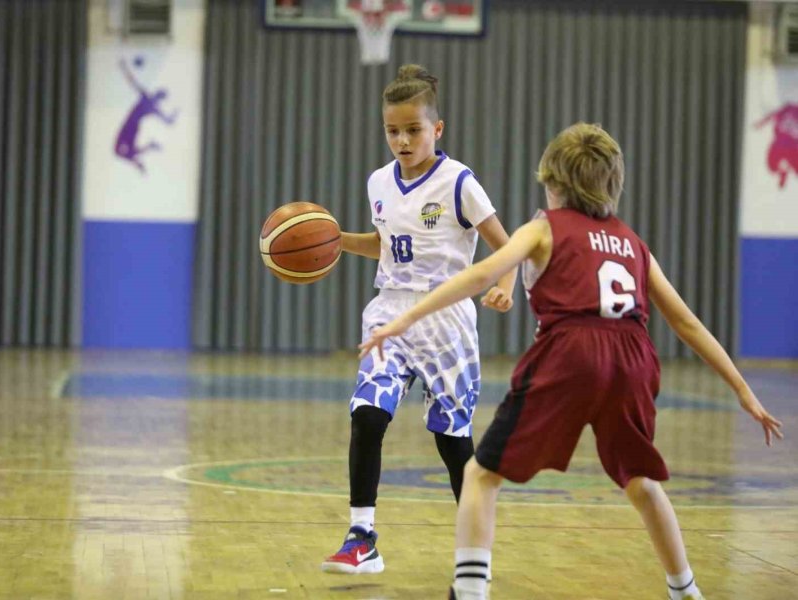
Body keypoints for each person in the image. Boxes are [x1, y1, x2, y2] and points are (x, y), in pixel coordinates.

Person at [358, 123, 784, 599]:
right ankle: (686, 591)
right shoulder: (633, 244)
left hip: (571, 352)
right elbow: (687, 324)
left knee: (480, 474)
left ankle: (471, 593)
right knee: (641, 482)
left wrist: (406, 317)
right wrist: (744, 391)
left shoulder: (544, 227)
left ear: (553, 183)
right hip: (634, 357)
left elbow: (481, 273)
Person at [320, 64, 518, 575]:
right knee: (367, 415)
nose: (402, 140)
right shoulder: (379, 183)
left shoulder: (459, 183)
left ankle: (474, 552)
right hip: (390, 310)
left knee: (453, 442)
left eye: (413, 130)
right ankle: (361, 537)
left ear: (438, 129)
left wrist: (503, 285)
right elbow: (387, 247)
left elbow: (509, 247)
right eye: (392, 131)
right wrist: (333, 239)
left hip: (446, 317)